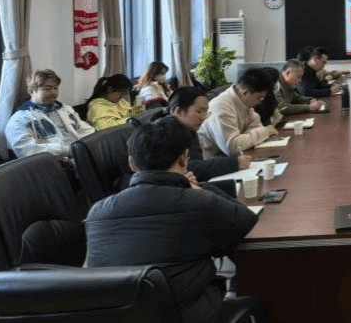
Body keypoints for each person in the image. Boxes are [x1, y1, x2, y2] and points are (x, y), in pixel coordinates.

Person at [86, 120, 263, 323]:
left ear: (132, 164)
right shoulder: (199, 202)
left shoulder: (96, 212)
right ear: (184, 159)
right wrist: (199, 189)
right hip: (188, 315)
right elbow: (246, 220)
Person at [159, 87, 252, 181]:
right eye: (199, 112)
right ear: (179, 112)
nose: (203, 118)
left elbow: (197, 165)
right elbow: (190, 167)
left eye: (206, 112)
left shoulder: (188, 129)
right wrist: (234, 163)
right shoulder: (164, 133)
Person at [6, 69, 96, 160]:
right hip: (52, 163)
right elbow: (26, 150)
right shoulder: (19, 120)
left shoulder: (65, 109)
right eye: (47, 89)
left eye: (55, 88)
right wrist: (69, 150)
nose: (53, 92)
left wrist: (86, 146)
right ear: (31, 91)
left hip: (80, 156)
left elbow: (87, 131)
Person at [199, 69, 281, 158]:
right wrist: (265, 132)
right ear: (245, 93)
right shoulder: (221, 107)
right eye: (260, 98)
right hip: (215, 161)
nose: (260, 102)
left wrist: (246, 138)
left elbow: (257, 127)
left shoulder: (245, 103)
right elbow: (233, 147)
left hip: (240, 156)